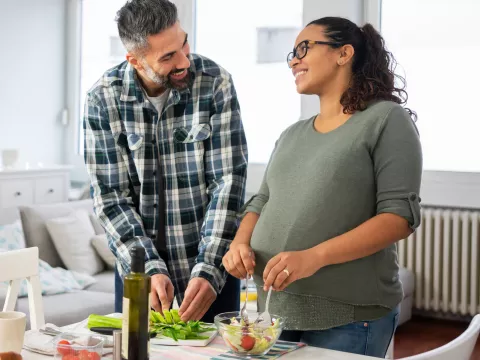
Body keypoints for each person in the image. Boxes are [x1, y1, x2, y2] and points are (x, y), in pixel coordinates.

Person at [222, 16, 422, 358]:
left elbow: (398, 218)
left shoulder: (386, 120)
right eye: (292, 54)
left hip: (347, 316)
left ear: (344, 53)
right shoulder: (291, 134)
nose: (294, 60)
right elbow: (261, 200)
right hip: (274, 313)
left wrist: (314, 257)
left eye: (304, 48)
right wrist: (239, 244)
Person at [83, 0, 248, 323]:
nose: (185, 60)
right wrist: (147, 269)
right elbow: (111, 198)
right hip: (139, 273)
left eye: (183, 43)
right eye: (168, 56)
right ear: (135, 60)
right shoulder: (102, 99)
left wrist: (209, 269)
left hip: (212, 273)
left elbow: (228, 183)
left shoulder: (215, 82)